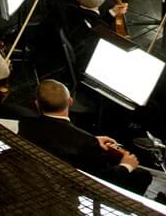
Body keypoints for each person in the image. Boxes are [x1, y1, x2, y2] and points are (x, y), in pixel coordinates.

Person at [23, 79, 152, 191]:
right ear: (70, 102)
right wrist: (126, 165)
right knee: (142, 175)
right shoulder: (86, 142)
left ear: (37, 103)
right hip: (67, 188)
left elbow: (55, 137)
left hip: (31, 178)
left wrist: (92, 140)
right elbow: (101, 180)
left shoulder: (26, 124)